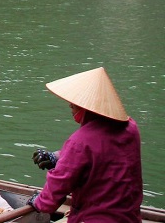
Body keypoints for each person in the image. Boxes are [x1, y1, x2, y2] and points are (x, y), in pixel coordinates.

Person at [28, 67, 142, 221]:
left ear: (86, 108)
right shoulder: (131, 128)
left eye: (74, 105)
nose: (70, 107)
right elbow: (102, 152)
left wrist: (38, 201)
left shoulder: (80, 141)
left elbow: (51, 198)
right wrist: (57, 157)